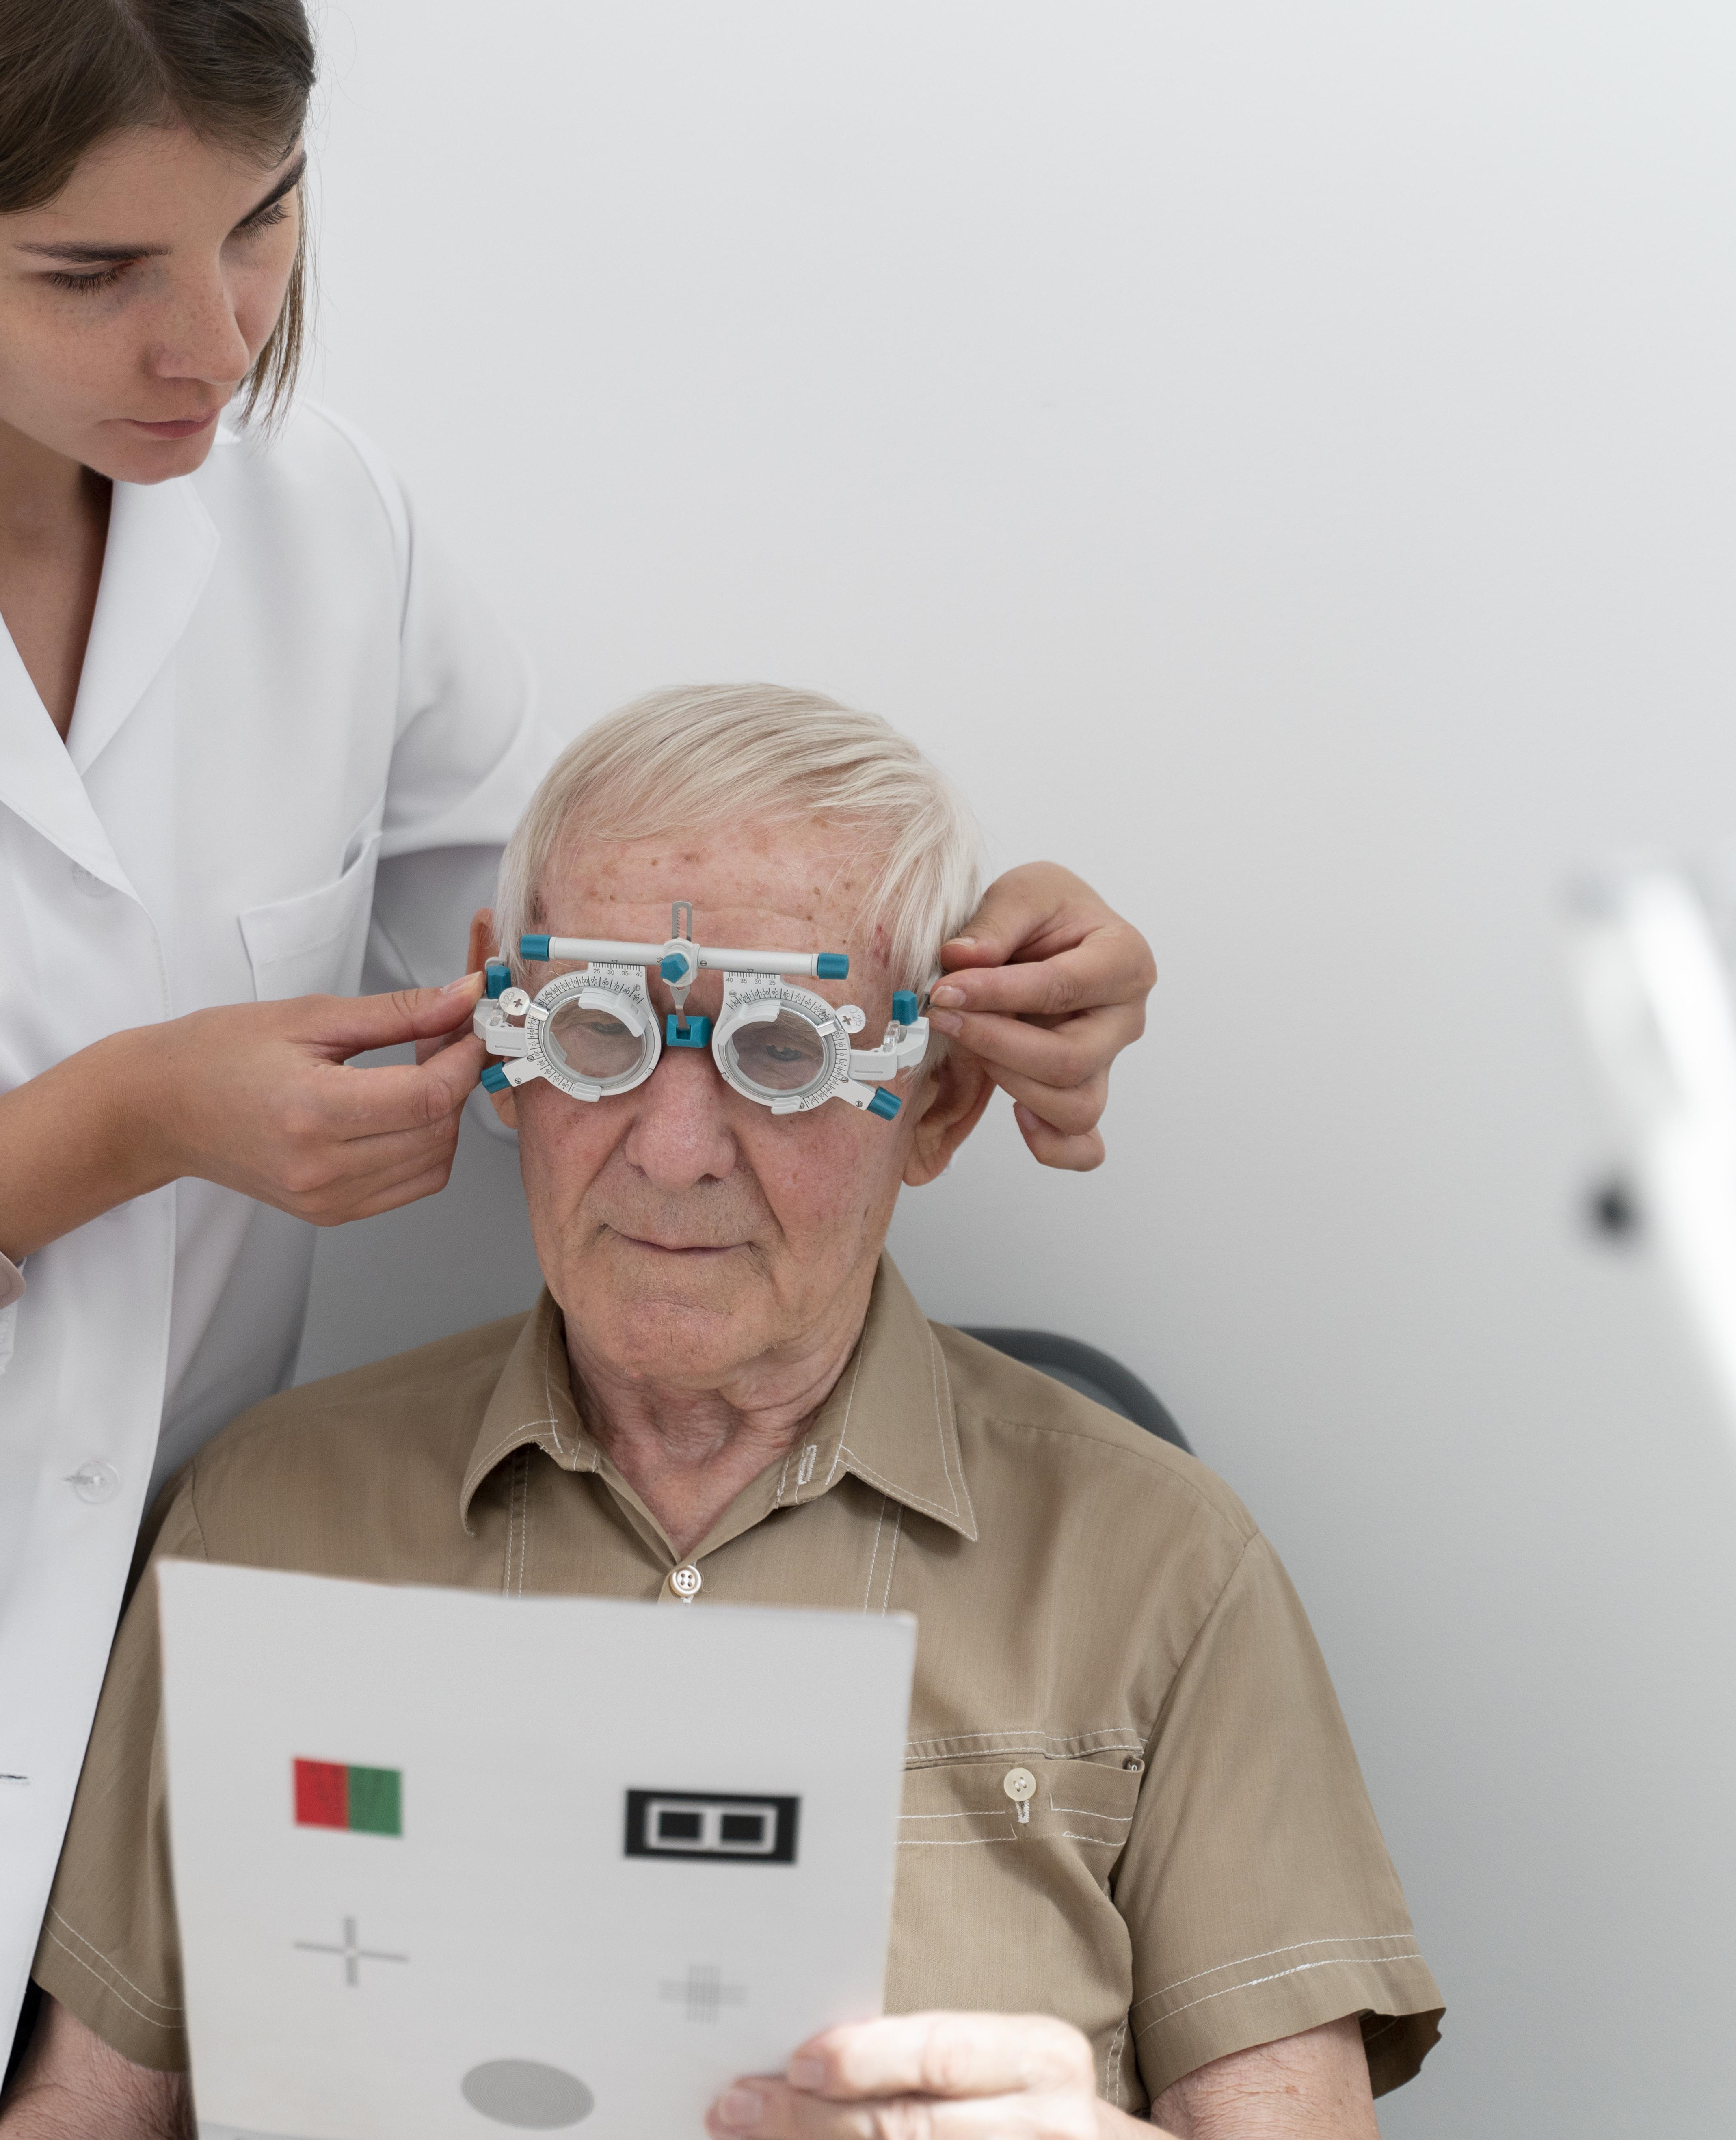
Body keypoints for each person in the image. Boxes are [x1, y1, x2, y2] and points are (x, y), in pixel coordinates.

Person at [0, 0, 1158, 2075]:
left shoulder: (316, 526)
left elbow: (607, 927)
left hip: (136, 1714)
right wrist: (122, 1124)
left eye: (263, 223)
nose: (220, 343)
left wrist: (970, 956)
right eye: (93, 273)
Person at [2, 688, 1440, 2139]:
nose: (674, 1151)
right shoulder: (264, 1522)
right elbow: (82, 2112)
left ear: (936, 1104)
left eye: (782, 1049)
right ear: (504, 1039)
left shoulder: (1159, 1565)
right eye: (597, 1028)